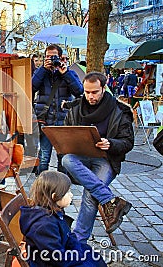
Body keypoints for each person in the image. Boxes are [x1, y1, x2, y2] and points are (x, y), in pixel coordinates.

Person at [62, 72, 133, 243]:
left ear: (104, 87)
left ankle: (79, 240)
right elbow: (66, 132)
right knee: (66, 159)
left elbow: (128, 142)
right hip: (80, 157)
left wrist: (111, 144)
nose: (90, 96)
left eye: (94, 92)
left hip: (106, 159)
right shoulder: (75, 108)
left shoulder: (119, 110)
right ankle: (110, 200)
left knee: (90, 193)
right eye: (87, 92)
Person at [20, 170, 107, 267]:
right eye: (68, 192)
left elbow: (68, 236)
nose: (71, 195)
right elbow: (57, 258)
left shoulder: (53, 212)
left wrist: (76, 248)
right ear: (54, 196)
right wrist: (77, 253)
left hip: (59, 252)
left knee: (92, 254)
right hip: (47, 263)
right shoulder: (43, 225)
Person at [32, 44, 83, 174]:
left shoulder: (69, 73)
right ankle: (42, 184)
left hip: (64, 122)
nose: (50, 59)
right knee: (44, 156)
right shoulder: (41, 73)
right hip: (46, 121)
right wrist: (43, 69)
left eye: (53, 56)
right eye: (48, 56)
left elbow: (79, 91)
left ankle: (62, 185)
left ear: (60, 57)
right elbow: (31, 87)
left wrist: (65, 73)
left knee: (63, 157)